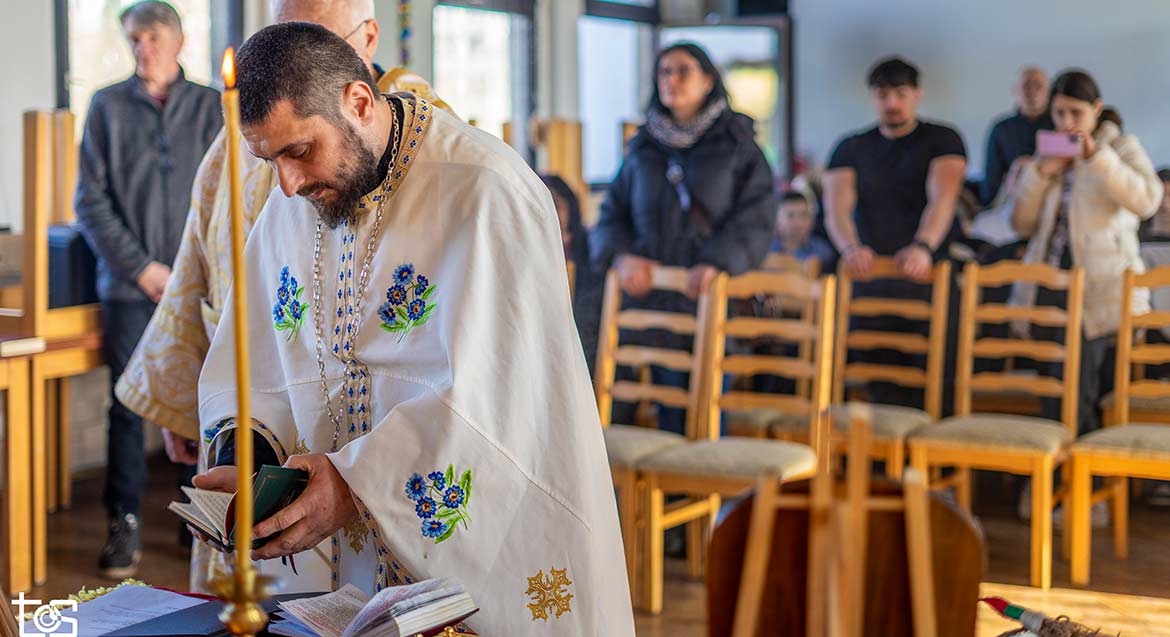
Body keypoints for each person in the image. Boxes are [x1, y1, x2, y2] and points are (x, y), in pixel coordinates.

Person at [190, 23, 633, 634]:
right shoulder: (291, 205)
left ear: (359, 102)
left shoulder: (486, 191)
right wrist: (248, 459)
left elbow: (501, 403)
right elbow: (254, 355)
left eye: (300, 151)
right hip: (333, 575)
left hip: (476, 566)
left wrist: (354, 484)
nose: (287, 185)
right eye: (270, 161)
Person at [112, 0, 454, 591]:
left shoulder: (420, 133)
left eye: (316, 36)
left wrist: (363, 479)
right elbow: (201, 245)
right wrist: (196, 393)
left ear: (368, 38)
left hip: (368, 425)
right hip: (256, 396)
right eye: (280, 36)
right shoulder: (243, 130)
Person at [73, 0, 222, 579]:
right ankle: (124, 521)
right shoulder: (106, 106)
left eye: (154, 37)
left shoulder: (213, 106)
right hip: (129, 287)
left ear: (178, 42)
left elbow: (226, 194)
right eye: (135, 38)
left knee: (201, 401)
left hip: (199, 285)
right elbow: (90, 202)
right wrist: (142, 269)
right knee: (128, 404)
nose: (143, 48)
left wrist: (184, 274)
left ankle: (199, 522)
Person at [591, 41, 774, 435]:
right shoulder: (643, 147)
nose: (671, 80)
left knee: (707, 416)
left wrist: (717, 261)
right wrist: (621, 256)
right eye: (664, 72)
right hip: (656, 300)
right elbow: (612, 215)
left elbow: (758, 216)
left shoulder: (737, 142)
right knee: (666, 414)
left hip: (711, 295)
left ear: (708, 80)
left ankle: (708, 473)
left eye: (683, 71)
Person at [1010, 69, 1163, 440]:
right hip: (1049, 283)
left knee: (1078, 391)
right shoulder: (1047, 152)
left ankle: (1079, 472)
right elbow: (1021, 224)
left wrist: (1096, 157)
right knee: (1050, 388)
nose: (1066, 122)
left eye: (1075, 113)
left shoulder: (1121, 146)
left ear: (1096, 108)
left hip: (1098, 289)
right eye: (1059, 113)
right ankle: (1052, 466)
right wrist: (1040, 174)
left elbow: (1147, 200)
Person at [822, 56, 966, 410]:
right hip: (872, 274)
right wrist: (850, 248)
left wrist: (923, 247)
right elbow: (836, 209)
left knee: (938, 373)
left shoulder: (942, 139)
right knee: (878, 374)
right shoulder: (850, 147)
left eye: (901, 94)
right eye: (883, 95)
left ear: (916, 95)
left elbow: (943, 200)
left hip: (927, 273)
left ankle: (936, 440)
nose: (892, 103)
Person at [541, 174, 602, 376]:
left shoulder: (591, 251)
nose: (549, 212)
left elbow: (590, 320)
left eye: (555, 204)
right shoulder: (525, 253)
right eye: (542, 204)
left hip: (583, 354)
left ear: (570, 208)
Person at [981, 67, 1053, 206]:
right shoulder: (1001, 129)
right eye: (1026, 86)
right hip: (1011, 201)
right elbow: (991, 180)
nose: (1032, 91)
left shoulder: (1059, 127)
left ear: (1048, 92)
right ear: (1015, 90)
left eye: (1038, 86)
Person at [770, 190, 835, 267]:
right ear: (776, 220)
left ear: (812, 220)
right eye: (790, 216)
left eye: (803, 216)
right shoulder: (765, 250)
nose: (798, 223)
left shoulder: (823, 252)